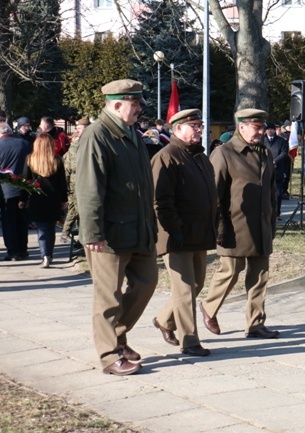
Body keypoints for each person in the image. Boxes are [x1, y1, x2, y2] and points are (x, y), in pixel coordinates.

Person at [76, 79, 158, 376]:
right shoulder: (97, 135)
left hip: (138, 228)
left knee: (147, 282)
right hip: (110, 233)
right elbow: (88, 189)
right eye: (134, 104)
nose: (138, 109)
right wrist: (93, 232)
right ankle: (110, 356)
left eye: (138, 104)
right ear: (116, 104)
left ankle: (117, 336)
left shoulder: (131, 134)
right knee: (108, 296)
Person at [201, 108, 280, 340]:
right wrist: (215, 227)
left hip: (262, 225)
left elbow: (272, 190)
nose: (261, 132)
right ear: (242, 127)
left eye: (262, 127)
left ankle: (255, 324)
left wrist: (272, 217)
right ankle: (209, 307)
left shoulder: (265, 152)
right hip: (234, 226)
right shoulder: (224, 153)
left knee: (260, 276)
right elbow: (213, 195)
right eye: (256, 128)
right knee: (231, 271)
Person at [151, 108, 218, 357]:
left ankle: (164, 320)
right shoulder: (166, 156)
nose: (199, 129)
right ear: (178, 129)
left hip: (199, 233)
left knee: (197, 283)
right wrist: (173, 229)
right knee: (185, 289)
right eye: (194, 126)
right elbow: (160, 200)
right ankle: (189, 341)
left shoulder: (199, 157)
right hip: (176, 235)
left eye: (200, 125)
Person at [19, 133, 67, 268]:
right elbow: (62, 183)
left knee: (41, 229)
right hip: (53, 198)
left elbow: (25, 181)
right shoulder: (57, 160)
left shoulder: (30, 160)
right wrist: (64, 200)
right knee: (50, 227)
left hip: (37, 197)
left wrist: (22, 199)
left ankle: (44, 255)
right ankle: (49, 254)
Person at [0, 122, 31, 261]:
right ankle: (23, 250)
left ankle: (12, 252)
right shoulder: (24, 144)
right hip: (24, 188)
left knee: (9, 222)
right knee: (22, 221)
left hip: (5, 190)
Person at [61, 118, 90, 244]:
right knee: (79, 211)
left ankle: (67, 234)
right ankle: (78, 237)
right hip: (76, 184)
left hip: (76, 183)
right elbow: (68, 169)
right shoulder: (73, 150)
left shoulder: (82, 145)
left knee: (76, 211)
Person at [261, 122, 289, 219]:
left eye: (271, 129)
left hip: (278, 171)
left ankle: (277, 213)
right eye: (268, 129)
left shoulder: (282, 141)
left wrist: (274, 161)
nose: (269, 130)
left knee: (277, 194)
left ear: (274, 130)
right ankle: (266, 213)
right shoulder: (262, 141)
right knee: (265, 194)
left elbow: (284, 153)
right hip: (265, 171)